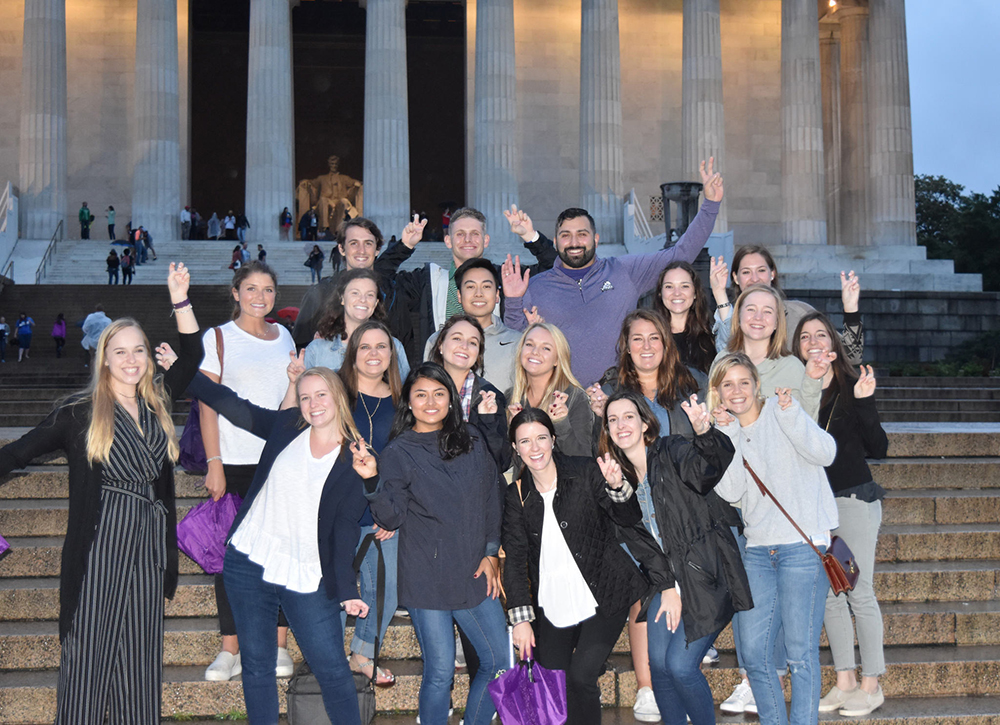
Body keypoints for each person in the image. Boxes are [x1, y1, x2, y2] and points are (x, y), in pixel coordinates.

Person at [0, 263, 201, 723]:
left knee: (140, 663)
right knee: (88, 659)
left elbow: (192, 352)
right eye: (120, 352)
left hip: (149, 549)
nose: (131, 360)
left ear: (148, 356)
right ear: (104, 358)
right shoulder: (79, 413)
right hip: (100, 546)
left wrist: (180, 298)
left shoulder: (157, 402)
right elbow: (16, 453)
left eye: (139, 351)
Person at [186, 363, 368, 724]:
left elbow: (351, 525)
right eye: (305, 397)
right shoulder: (288, 426)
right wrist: (183, 369)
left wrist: (347, 588)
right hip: (249, 559)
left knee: (332, 668)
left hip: (306, 572)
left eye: (321, 394)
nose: (313, 404)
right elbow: (234, 406)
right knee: (257, 665)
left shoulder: (357, 456)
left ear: (338, 397)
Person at [352, 362, 507, 725]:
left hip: (474, 569)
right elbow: (391, 517)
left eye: (439, 394)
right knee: (440, 671)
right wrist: (372, 480)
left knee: (500, 662)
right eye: (421, 395)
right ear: (409, 401)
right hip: (426, 576)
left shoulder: (471, 439)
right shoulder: (399, 451)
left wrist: (491, 553)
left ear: (451, 399)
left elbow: (491, 498)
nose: (431, 402)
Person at [502, 407, 671, 725]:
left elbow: (627, 518)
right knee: (556, 684)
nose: (535, 448)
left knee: (582, 677)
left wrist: (618, 488)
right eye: (525, 441)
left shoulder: (584, 471)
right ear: (515, 447)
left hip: (603, 592)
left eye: (541, 438)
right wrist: (521, 619)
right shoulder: (517, 495)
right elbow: (514, 559)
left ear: (553, 439)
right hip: (552, 600)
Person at [501, 160, 723, 386]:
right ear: (556, 242)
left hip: (619, 396)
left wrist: (711, 205)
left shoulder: (624, 271)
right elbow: (514, 337)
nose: (574, 242)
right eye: (566, 235)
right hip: (562, 399)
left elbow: (680, 253)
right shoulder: (535, 286)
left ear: (596, 239)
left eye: (582, 234)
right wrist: (512, 300)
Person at [599, 390, 749, 725]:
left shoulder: (671, 449)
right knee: (659, 666)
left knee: (680, 667)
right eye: (613, 420)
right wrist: (617, 491)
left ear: (644, 422)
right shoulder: (617, 477)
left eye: (628, 417)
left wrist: (705, 433)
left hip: (706, 574)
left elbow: (708, 470)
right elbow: (636, 539)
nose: (621, 425)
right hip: (664, 581)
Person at [709, 352, 838, 725]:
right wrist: (728, 435)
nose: (737, 391)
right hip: (758, 551)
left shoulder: (783, 411)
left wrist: (792, 414)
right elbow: (731, 492)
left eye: (743, 382)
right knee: (753, 653)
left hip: (803, 548)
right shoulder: (727, 432)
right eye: (728, 384)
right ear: (718, 392)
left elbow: (826, 453)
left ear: (756, 384)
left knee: (800, 654)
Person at [198, 261, 297, 682]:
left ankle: (279, 644)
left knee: (280, 549)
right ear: (236, 292)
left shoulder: (284, 336)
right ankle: (230, 648)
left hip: (278, 460)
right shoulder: (218, 337)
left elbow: (290, 397)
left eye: (268, 289)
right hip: (234, 461)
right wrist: (214, 462)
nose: (260, 296)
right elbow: (207, 402)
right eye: (251, 288)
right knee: (231, 557)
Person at [794, 312, 888, 717]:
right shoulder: (795, 391)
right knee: (832, 596)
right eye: (805, 337)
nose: (814, 341)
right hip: (816, 508)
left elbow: (879, 448)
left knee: (858, 591)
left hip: (852, 500)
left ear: (833, 343)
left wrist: (865, 403)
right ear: (797, 348)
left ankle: (872, 684)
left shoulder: (852, 386)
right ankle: (845, 680)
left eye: (821, 334)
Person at [375, 206, 558, 366]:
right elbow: (379, 276)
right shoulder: (428, 280)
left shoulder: (506, 277)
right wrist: (405, 245)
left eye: (475, 234)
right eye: (460, 234)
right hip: (440, 377)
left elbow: (554, 269)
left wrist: (530, 236)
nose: (468, 239)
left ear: (486, 240)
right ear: (448, 241)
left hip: (494, 375)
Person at [336, 320, 405, 687]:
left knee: (386, 589)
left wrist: (391, 512)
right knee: (333, 589)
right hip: (335, 512)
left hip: (380, 511)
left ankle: (362, 652)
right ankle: (329, 657)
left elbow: (407, 465)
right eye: (365, 346)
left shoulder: (401, 402)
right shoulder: (336, 394)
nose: (373, 353)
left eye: (381, 346)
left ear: (392, 354)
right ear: (353, 353)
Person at [710, 247, 863, 364]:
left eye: (761, 270)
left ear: (772, 274)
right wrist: (719, 293)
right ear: (736, 278)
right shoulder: (728, 318)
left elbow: (851, 356)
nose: (755, 279)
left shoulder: (799, 313)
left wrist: (851, 309)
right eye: (746, 272)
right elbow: (727, 361)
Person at [716, 284, 829, 420]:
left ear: (777, 322)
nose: (758, 317)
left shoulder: (792, 367)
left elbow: (807, 424)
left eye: (767, 311)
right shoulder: (721, 359)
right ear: (738, 316)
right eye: (751, 309)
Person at [588, 309, 705, 438]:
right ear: (627, 346)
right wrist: (601, 419)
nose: (647, 346)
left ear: (665, 343)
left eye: (654, 338)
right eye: (638, 339)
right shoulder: (610, 393)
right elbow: (599, 447)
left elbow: (714, 443)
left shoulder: (695, 382)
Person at [423, 257, 522, 394]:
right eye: (470, 287)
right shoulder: (438, 340)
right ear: (459, 295)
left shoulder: (517, 342)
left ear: (497, 295)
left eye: (486, 287)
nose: (478, 294)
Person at [428, 314, 512, 472]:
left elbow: (500, 462)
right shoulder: (419, 391)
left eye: (473, 342)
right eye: (457, 338)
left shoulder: (490, 397)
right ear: (440, 345)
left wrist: (488, 420)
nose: (464, 346)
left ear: (478, 354)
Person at [293, 217, 388, 348]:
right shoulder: (320, 292)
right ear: (341, 249)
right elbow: (299, 344)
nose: (361, 250)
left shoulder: (391, 292)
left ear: (377, 249)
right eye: (354, 243)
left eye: (368, 243)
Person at [507, 322, 594, 458]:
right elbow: (506, 460)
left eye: (546, 348)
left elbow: (583, 457)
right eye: (529, 344)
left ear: (557, 360)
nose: (535, 352)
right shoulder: (511, 397)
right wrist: (512, 431)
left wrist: (561, 424)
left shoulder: (575, 398)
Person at [304, 268, 410, 379]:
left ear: (376, 303)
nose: (363, 299)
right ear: (342, 298)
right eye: (355, 293)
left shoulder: (394, 347)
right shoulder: (317, 349)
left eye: (370, 295)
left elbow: (404, 388)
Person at [654, 261, 716, 374]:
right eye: (669, 286)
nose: (677, 293)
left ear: (695, 293)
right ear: (660, 293)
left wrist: (720, 291)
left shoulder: (712, 337)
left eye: (684, 286)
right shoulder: (651, 339)